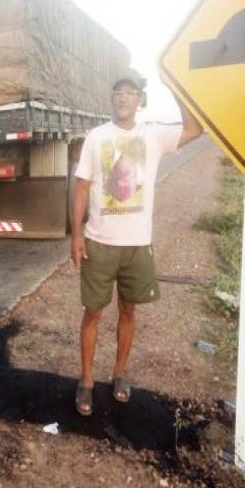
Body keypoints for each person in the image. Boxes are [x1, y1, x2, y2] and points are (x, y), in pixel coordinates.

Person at [71, 76, 203, 416]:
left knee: (129, 310)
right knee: (93, 313)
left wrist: (176, 86)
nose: (123, 99)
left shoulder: (153, 135)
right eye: (117, 93)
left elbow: (194, 128)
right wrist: (76, 235)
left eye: (130, 93)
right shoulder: (97, 138)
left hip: (137, 245)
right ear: (112, 100)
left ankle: (119, 374)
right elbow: (82, 187)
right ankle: (86, 381)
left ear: (140, 99)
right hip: (99, 242)